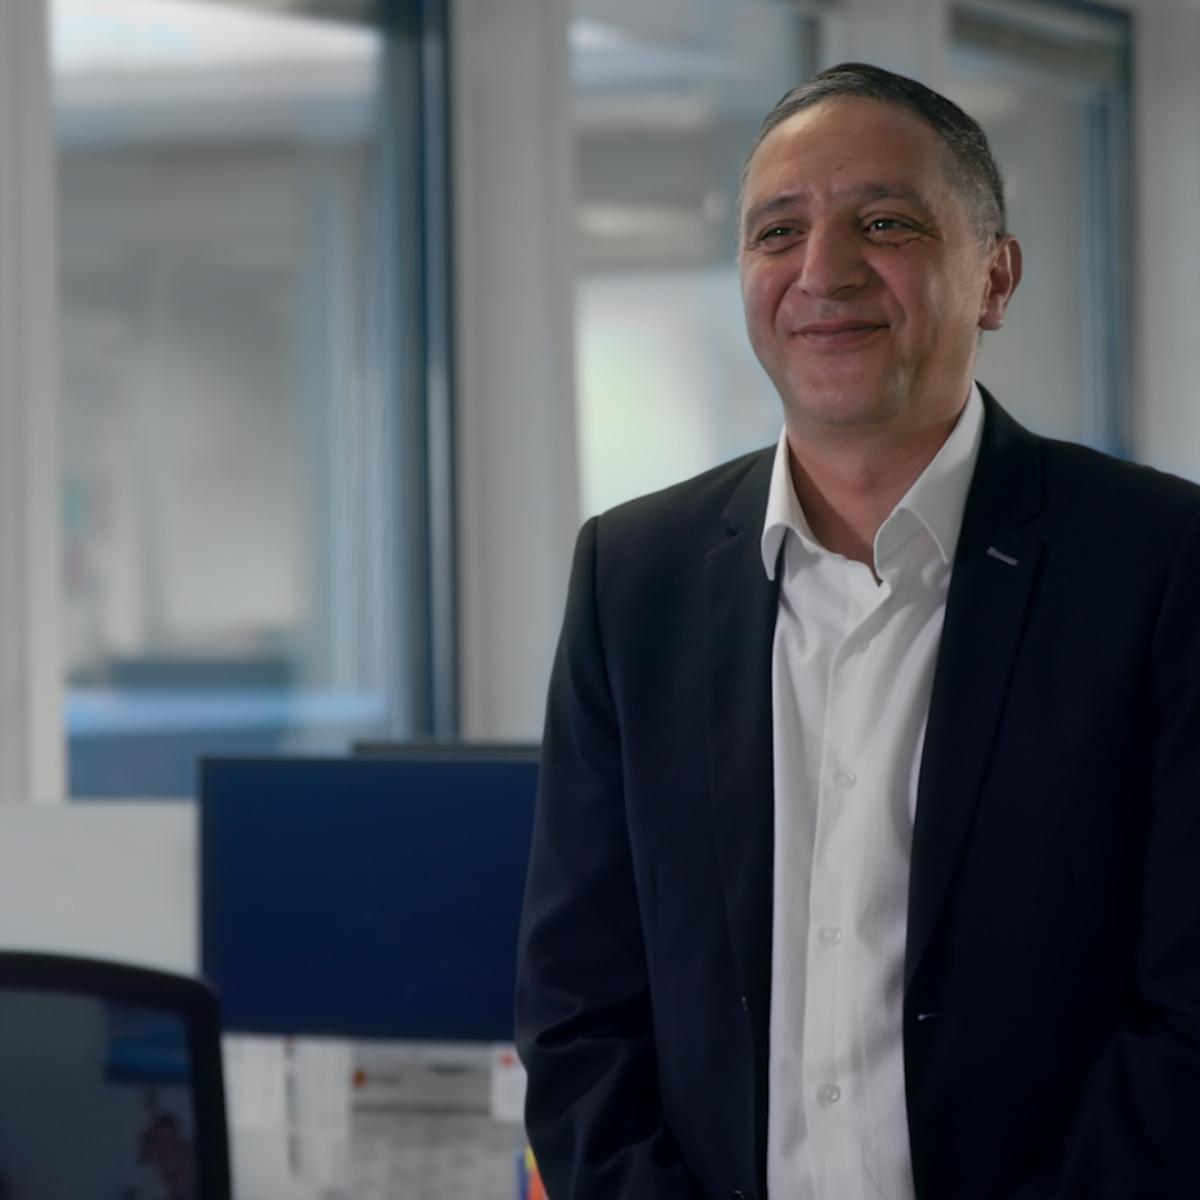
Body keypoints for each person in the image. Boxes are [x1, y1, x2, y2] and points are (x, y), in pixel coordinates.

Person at [515, 62, 1200, 1200]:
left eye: (885, 223)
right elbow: (577, 1008)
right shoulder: (632, 577)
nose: (822, 272)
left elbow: (1188, 1022)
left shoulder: (1159, 563)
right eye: (777, 231)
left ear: (995, 277)